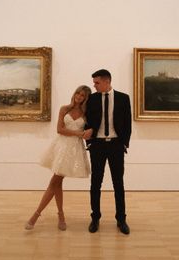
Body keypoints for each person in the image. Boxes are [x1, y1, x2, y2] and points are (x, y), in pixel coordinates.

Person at [25, 85, 91, 231]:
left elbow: (89, 130)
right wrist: (80, 134)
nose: (79, 97)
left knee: (56, 182)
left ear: (86, 99)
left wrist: (85, 133)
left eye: (82, 96)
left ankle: (39, 215)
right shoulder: (64, 109)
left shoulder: (86, 113)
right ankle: (50, 215)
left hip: (74, 149)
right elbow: (59, 129)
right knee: (56, 182)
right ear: (74, 93)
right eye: (78, 93)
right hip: (61, 147)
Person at [83, 69, 132, 235]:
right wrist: (89, 142)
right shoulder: (92, 99)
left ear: (106, 81)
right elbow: (87, 121)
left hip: (116, 146)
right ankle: (95, 218)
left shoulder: (123, 98)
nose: (94, 85)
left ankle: (121, 219)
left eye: (96, 82)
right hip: (97, 146)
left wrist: (124, 144)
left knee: (118, 183)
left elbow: (127, 123)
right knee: (96, 183)